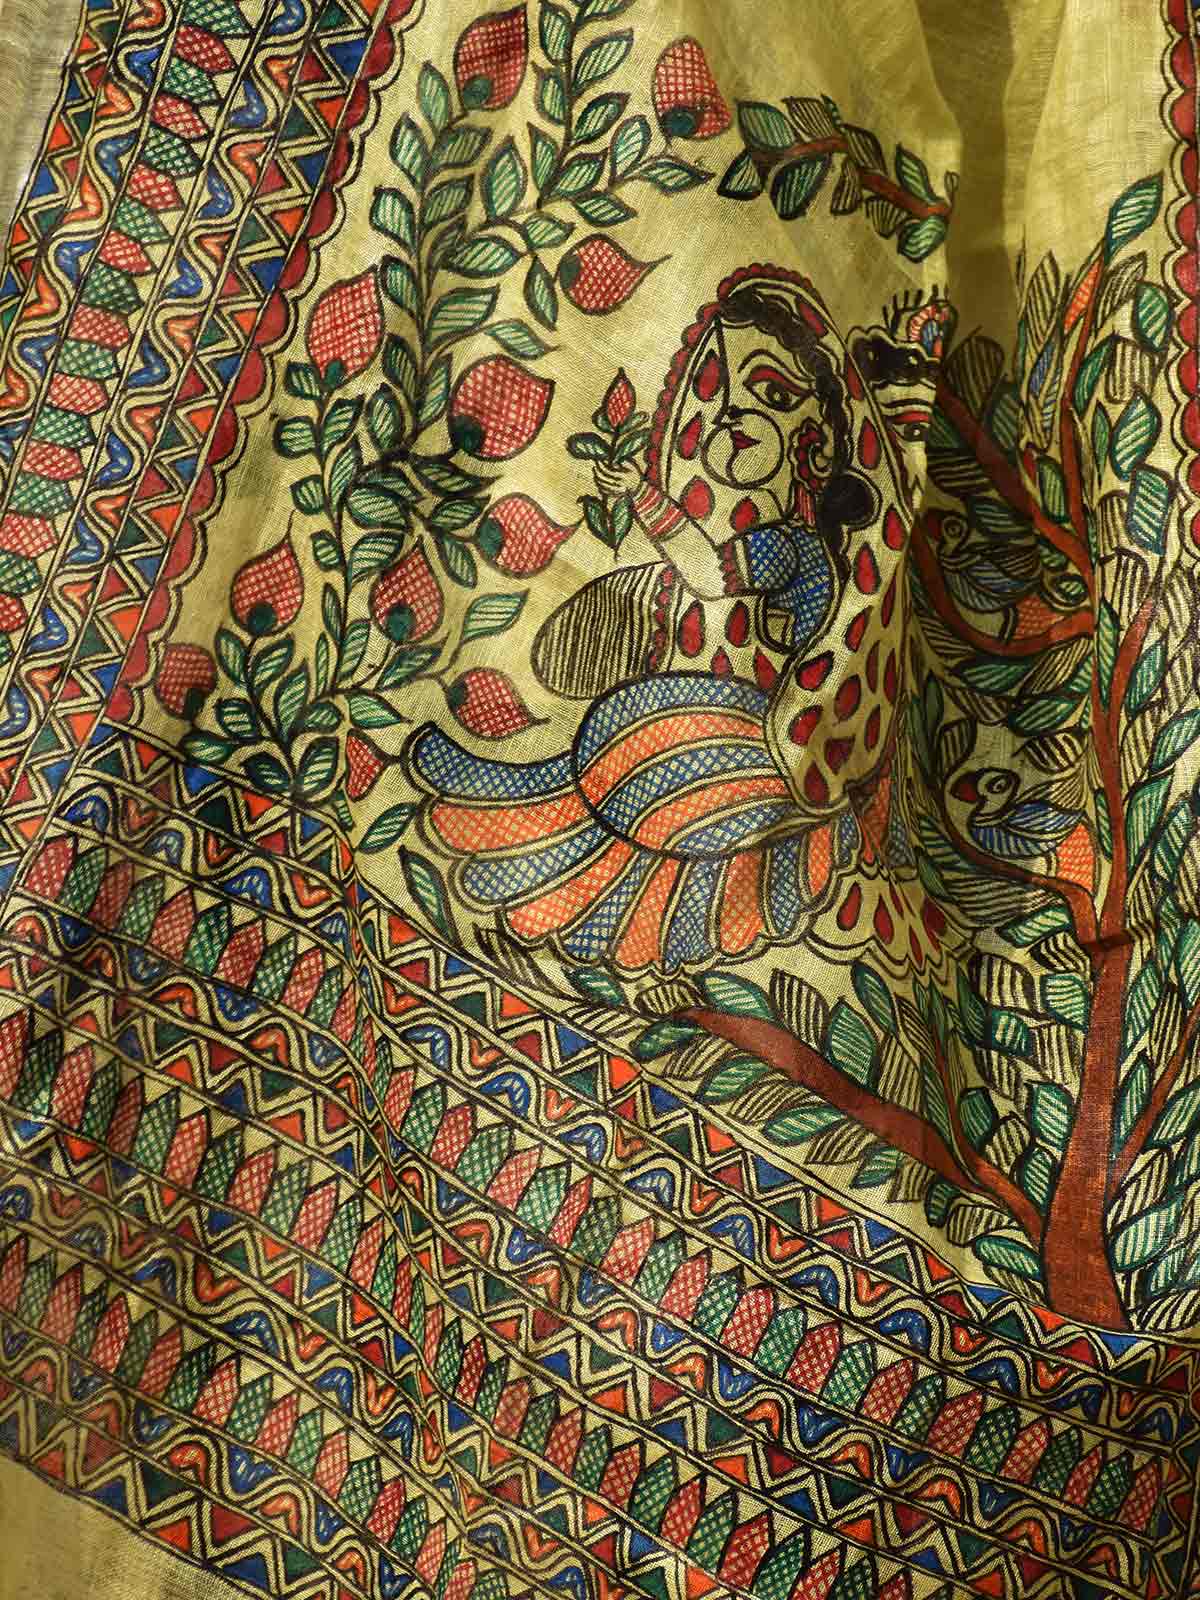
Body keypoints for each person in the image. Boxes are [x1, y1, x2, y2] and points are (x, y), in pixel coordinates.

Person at [406, 267, 933, 971]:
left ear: (817, 443)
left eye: (773, 396)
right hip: (774, 743)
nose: (734, 415)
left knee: (629, 733)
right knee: (622, 737)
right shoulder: (795, 540)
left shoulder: (791, 546)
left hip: (777, 751)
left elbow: (707, 574)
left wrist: (644, 497)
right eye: (727, 394)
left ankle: (534, 842)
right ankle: (537, 830)